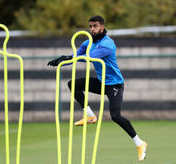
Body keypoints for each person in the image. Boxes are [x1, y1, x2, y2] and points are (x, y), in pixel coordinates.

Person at [47, 15, 147, 162]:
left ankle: (140, 143)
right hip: (102, 83)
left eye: (95, 26)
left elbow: (89, 57)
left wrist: (68, 58)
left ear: (102, 27)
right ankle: (90, 115)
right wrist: (63, 60)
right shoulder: (88, 43)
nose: (92, 29)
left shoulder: (108, 44)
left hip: (115, 85)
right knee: (73, 84)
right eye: (90, 26)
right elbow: (76, 55)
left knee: (116, 116)